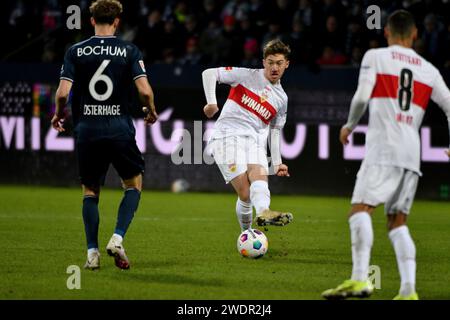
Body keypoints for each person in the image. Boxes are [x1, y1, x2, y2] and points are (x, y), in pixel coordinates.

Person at [322, 10, 450, 300]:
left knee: (360, 209)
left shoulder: (375, 57)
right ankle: (408, 291)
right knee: (397, 223)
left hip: (383, 148)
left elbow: (362, 96)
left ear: (387, 32)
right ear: (415, 34)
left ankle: (359, 280)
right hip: (411, 154)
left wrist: (349, 125)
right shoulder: (429, 69)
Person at [51, 0, 158, 270]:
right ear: (117, 21)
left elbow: (63, 93)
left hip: (87, 130)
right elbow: (144, 91)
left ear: (91, 20)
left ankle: (91, 254)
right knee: (133, 185)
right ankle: (117, 238)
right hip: (119, 129)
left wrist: (58, 114)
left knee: (90, 191)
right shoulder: (129, 50)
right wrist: (151, 110)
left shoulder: (75, 51)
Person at [201, 39, 293, 231]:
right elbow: (209, 73)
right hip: (226, 137)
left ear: (286, 64)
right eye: (270, 62)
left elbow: (275, 132)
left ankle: (263, 212)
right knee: (245, 193)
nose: (274, 67)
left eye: (278, 63)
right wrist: (211, 102)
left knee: (260, 177)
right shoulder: (246, 75)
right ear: (263, 62)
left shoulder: (281, 99)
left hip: (254, 142)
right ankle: (247, 233)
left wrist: (277, 162)